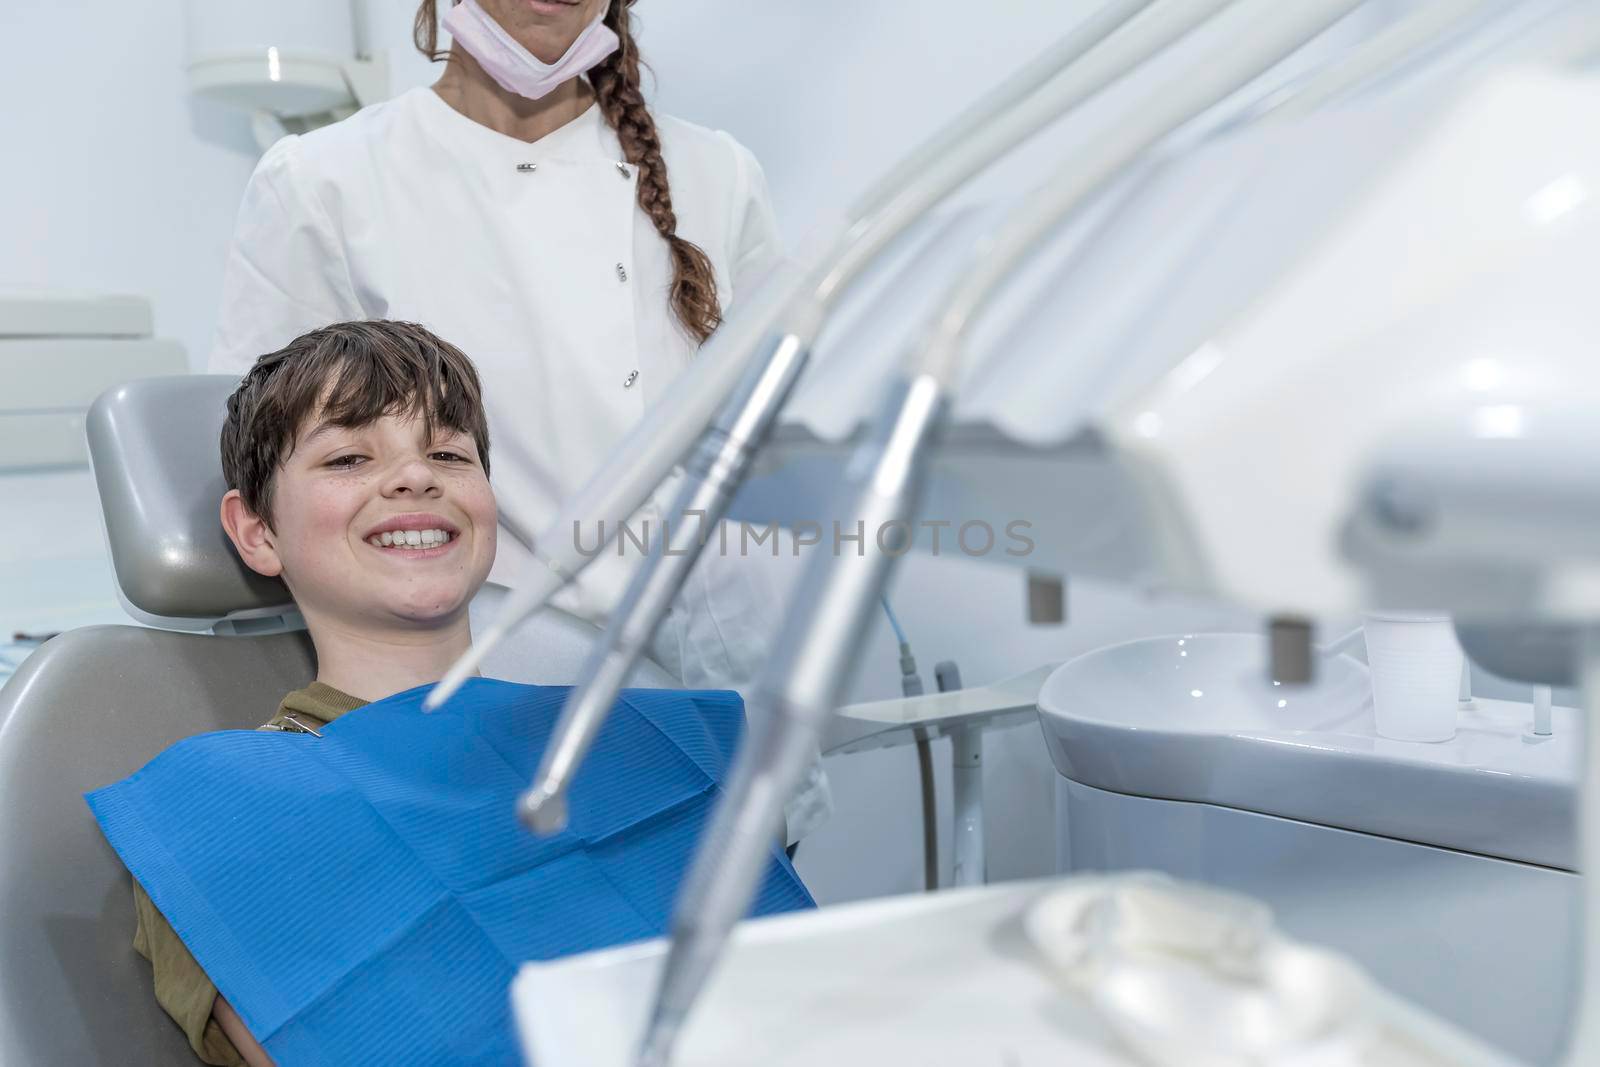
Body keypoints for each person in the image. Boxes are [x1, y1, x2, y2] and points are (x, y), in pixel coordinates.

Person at [206, 0, 830, 848]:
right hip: (495, 686)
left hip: (732, 674)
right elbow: (283, 464)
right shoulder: (327, 180)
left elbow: (779, 431)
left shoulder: (714, 171)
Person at [135, 320, 500, 1066]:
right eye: (348, 456)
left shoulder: (617, 744)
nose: (415, 477)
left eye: (448, 453)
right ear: (256, 530)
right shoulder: (219, 811)